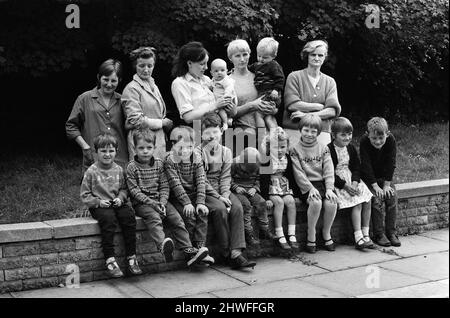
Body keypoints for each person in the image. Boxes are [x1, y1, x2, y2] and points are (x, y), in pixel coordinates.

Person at [126, 128, 209, 267]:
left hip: (161, 201)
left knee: (177, 219)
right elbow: (134, 191)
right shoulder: (131, 167)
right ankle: (162, 246)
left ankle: (188, 249)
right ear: (134, 148)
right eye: (141, 148)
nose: (145, 151)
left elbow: (164, 185)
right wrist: (152, 203)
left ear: (154, 148)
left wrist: (163, 202)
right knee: (154, 217)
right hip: (143, 204)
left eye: (149, 147)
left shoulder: (159, 164)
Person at [195, 112, 256, 269]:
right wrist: (219, 198)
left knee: (236, 207)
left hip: (222, 189)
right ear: (201, 134)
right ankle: (226, 252)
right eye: (207, 132)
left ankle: (236, 252)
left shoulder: (226, 152)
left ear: (221, 131)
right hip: (204, 190)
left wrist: (224, 194)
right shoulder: (198, 153)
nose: (211, 136)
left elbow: (225, 177)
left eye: (215, 132)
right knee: (221, 209)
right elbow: (201, 179)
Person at [80, 133, 142, 278]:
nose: (107, 154)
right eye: (103, 151)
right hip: (100, 206)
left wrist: (121, 198)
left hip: (117, 203)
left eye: (111, 151)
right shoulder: (91, 172)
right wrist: (98, 202)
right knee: (108, 220)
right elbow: (84, 195)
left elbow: (124, 189)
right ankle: (110, 259)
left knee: (128, 217)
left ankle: (131, 257)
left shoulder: (119, 169)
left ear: (116, 151)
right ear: (97, 152)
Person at [164, 126, 218, 265]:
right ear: (173, 146)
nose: (185, 151)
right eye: (180, 147)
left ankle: (200, 249)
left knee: (202, 212)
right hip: (177, 197)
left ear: (193, 145)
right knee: (189, 216)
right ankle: (191, 254)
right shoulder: (170, 160)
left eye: (188, 147)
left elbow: (201, 180)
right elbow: (175, 185)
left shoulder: (197, 157)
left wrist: (200, 202)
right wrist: (187, 203)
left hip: (194, 195)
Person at [66, 59, 128, 174]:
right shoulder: (84, 98)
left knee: (120, 190)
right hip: (94, 156)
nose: (109, 84)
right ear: (99, 77)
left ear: (120, 80)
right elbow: (71, 126)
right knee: (93, 189)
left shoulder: (123, 100)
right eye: (105, 79)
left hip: (120, 157)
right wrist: (85, 147)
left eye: (113, 81)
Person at [290, 114, 337, 253]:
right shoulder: (294, 149)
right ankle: (311, 235)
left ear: (318, 132)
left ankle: (326, 233)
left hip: (322, 183)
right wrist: (309, 188)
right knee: (316, 203)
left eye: (313, 131)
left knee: (331, 202)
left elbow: (329, 170)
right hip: (305, 185)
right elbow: (298, 173)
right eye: (306, 130)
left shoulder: (324, 148)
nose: (309, 134)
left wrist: (329, 189)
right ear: (300, 130)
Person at [282, 40, 341, 146]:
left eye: (320, 55)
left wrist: (306, 115)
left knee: (321, 162)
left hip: (321, 131)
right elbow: (292, 105)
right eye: (313, 54)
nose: (317, 58)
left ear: (325, 57)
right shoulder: (294, 77)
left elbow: (332, 111)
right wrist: (318, 106)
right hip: (295, 129)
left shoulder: (330, 82)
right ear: (307, 56)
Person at [328, 117, 374, 250]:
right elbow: (329, 172)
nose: (347, 138)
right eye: (343, 135)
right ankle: (358, 236)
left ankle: (366, 234)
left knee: (368, 199)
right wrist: (345, 186)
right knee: (357, 202)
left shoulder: (351, 148)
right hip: (338, 182)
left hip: (352, 179)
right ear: (333, 135)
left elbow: (356, 167)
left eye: (349, 134)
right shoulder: (329, 149)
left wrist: (354, 182)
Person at [227, 39, 277, 154]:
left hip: (267, 132)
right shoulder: (227, 81)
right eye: (237, 56)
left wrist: (273, 109)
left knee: (267, 170)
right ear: (230, 58)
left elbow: (275, 101)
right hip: (242, 134)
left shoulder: (260, 76)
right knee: (245, 169)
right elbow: (229, 114)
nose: (242, 59)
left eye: (245, 54)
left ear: (250, 54)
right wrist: (252, 105)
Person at [122, 47, 173, 160]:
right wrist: (162, 123)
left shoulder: (154, 85)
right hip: (141, 142)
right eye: (141, 66)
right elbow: (136, 120)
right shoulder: (131, 88)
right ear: (135, 66)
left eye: (149, 66)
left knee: (159, 174)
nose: (146, 70)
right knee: (143, 175)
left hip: (158, 140)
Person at [360, 117, 401, 247]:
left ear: (387, 134)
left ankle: (391, 232)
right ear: (368, 135)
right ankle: (379, 234)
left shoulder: (391, 140)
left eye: (381, 138)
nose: (377, 142)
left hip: (385, 177)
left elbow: (391, 162)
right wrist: (375, 186)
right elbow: (365, 165)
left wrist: (387, 185)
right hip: (370, 178)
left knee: (391, 197)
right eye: (374, 138)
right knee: (376, 200)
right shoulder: (364, 141)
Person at [171, 42, 235, 125]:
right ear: (189, 63)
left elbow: (232, 111)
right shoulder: (180, 83)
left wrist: (231, 106)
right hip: (199, 130)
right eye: (202, 64)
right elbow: (188, 117)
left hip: (219, 126)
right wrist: (216, 105)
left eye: (206, 63)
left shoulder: (207, 79)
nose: (206, 67)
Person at [260, 127, 300, 251]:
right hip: (271, 186)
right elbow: (264, 180)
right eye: (276, 147)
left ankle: (291, 233)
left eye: (282, 147)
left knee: (290, 202)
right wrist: (265, 198)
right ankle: (279, 233)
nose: (280, 150)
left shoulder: (287, 158)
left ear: (287, 146)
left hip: (284, 185)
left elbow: (291, 176)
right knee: (279, 202)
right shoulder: (267, 159)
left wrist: (296, 192)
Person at [231, 147, 274, 247]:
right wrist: (236, 187)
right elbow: (227, 179)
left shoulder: (258, 164)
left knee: (261, 202)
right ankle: (248, 233)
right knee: (246, 205)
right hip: (238, 191)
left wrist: (255, 188)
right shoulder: (233, 164)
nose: (248, 173)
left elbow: (259, 179)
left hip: (251, 189)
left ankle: (264, 230)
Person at [248, 37, 285, 130]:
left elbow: (280, 78)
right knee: (268, 117)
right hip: (263, 93)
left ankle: (262, 136)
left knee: (258, 114)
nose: (261, 59)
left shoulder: (273, 65)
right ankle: (275, 135)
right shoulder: (257, 65)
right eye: (259, 56)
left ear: (273, 56)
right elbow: (248, 68)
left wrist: (276, 90)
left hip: (270, 93)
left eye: (265, 57)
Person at [210, 58, 237, 131]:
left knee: (222, 110)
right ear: (211, 73)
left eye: (222, 70)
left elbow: (229, 87)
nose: (219, 72)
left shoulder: (226, 80)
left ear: (226, 71)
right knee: (220, 111)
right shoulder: (213, 80)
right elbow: (211, 86)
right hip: (221, 100)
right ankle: (228, 120)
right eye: (216, 71)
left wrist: (226, 95)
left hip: (227, 98)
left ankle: (225, 123)